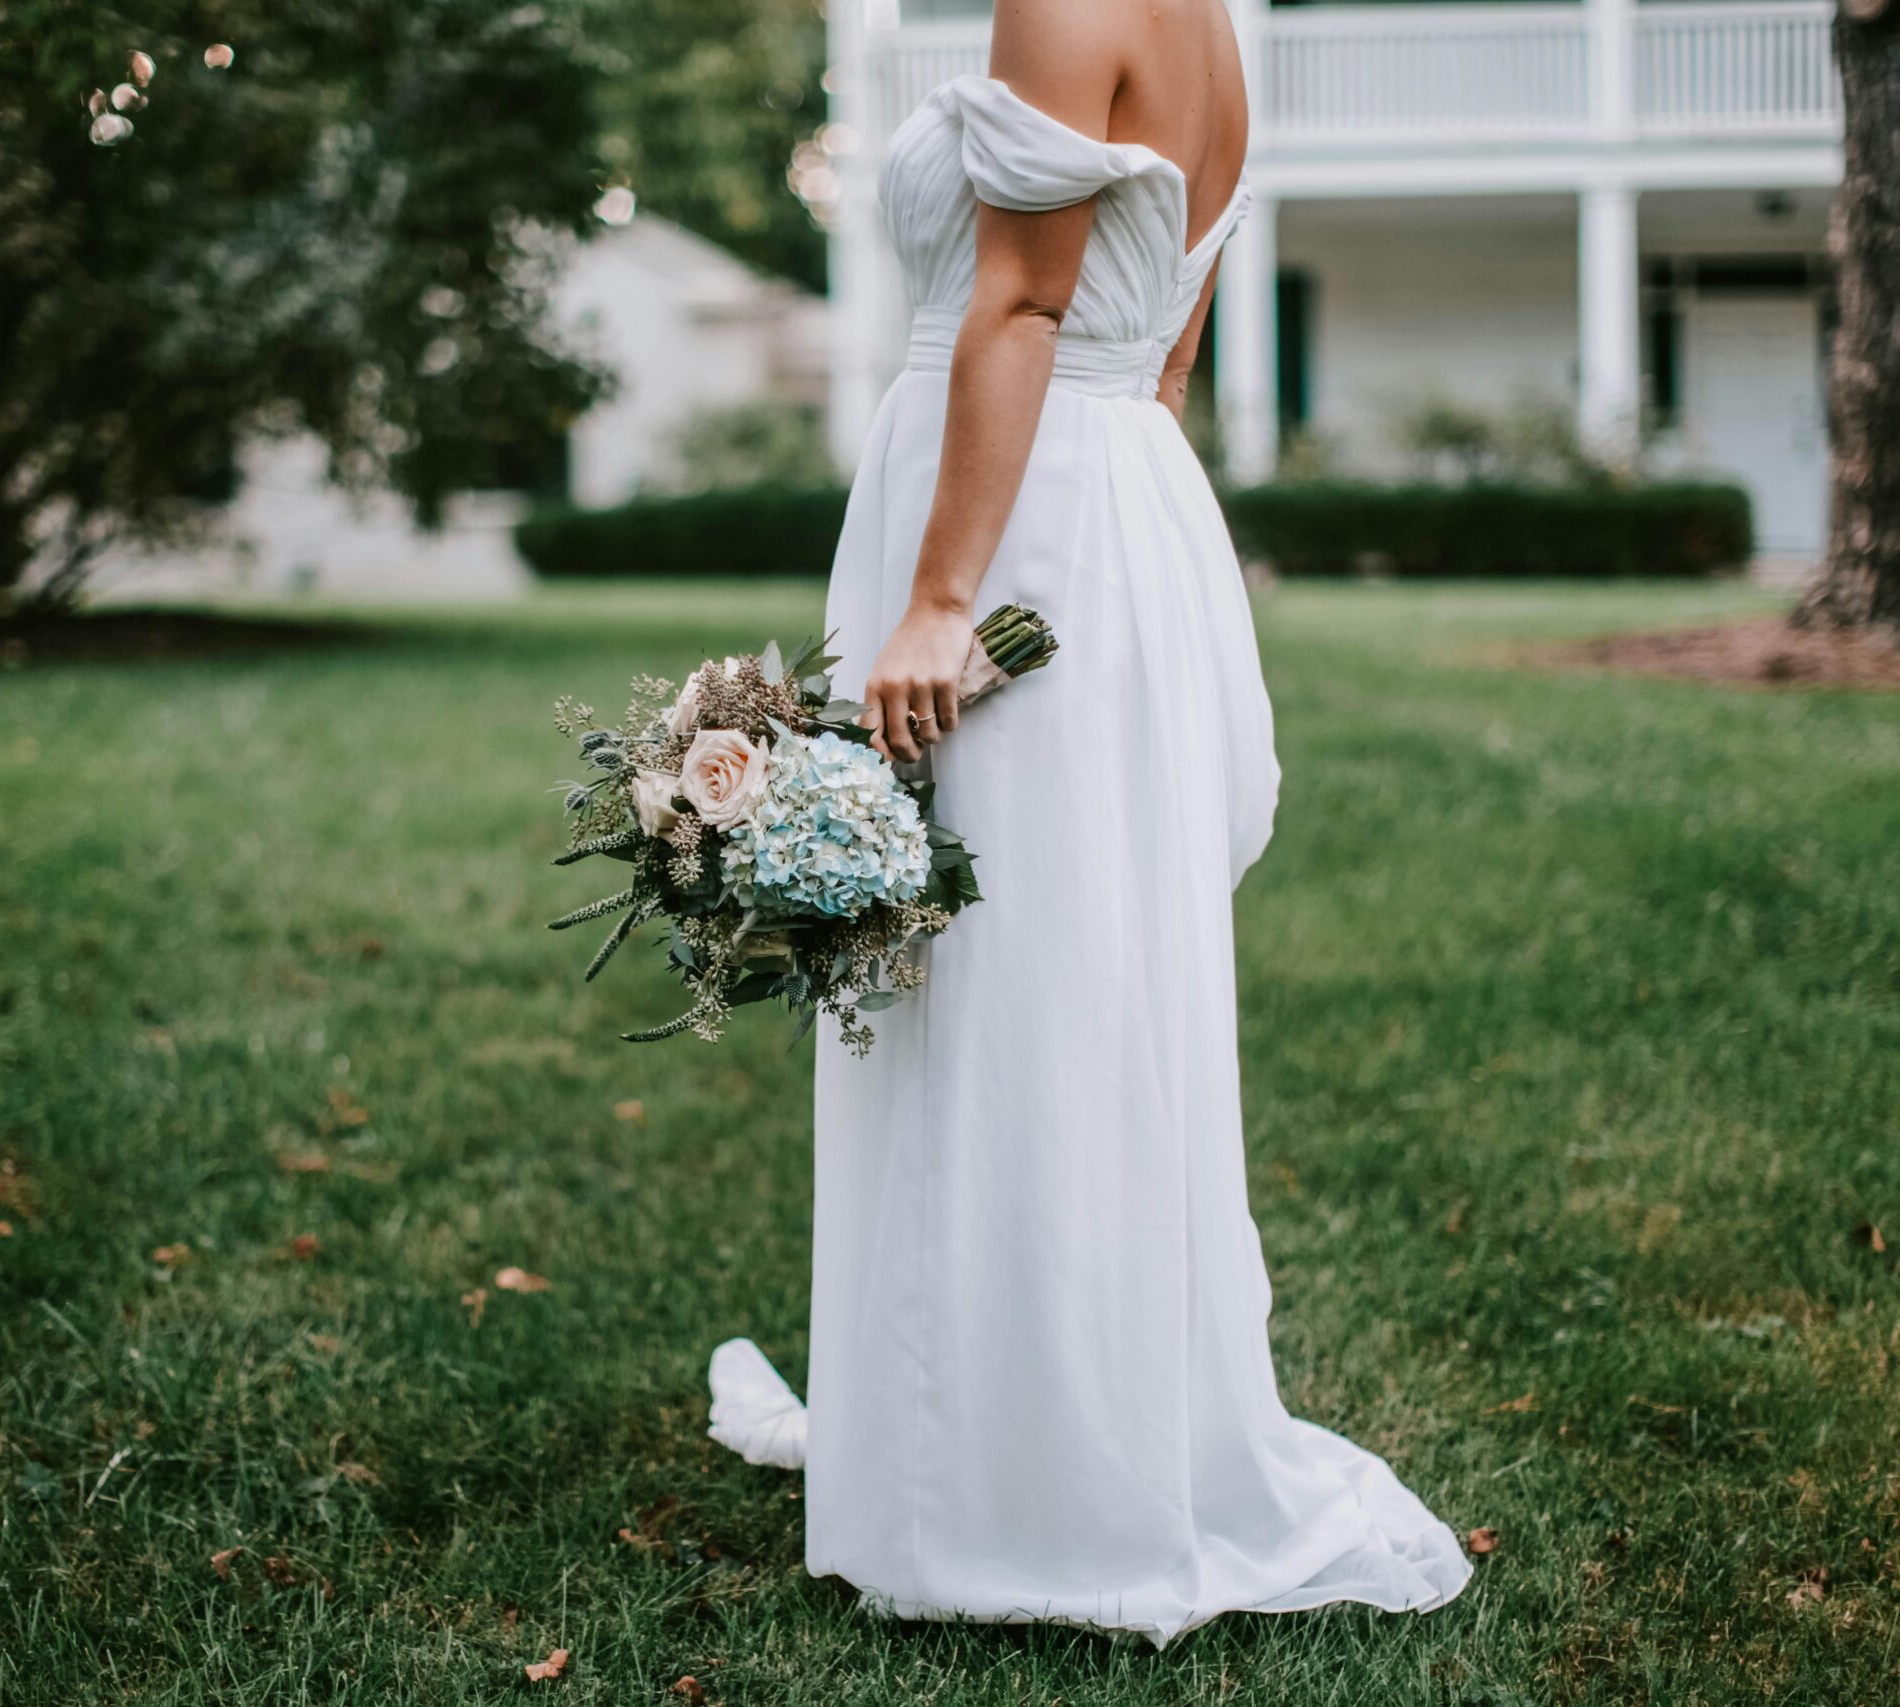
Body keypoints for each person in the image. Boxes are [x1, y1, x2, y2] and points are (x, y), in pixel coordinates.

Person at [709, 0, 1474, 1642]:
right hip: (1110, 496)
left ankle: (1013, 1486)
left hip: (1011, 535)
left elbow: (1019, 299)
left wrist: (939, 597)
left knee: (1001, 993)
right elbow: (1167, 350)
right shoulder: (1207, 28)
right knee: (1071, 991)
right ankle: (1014, 1434)